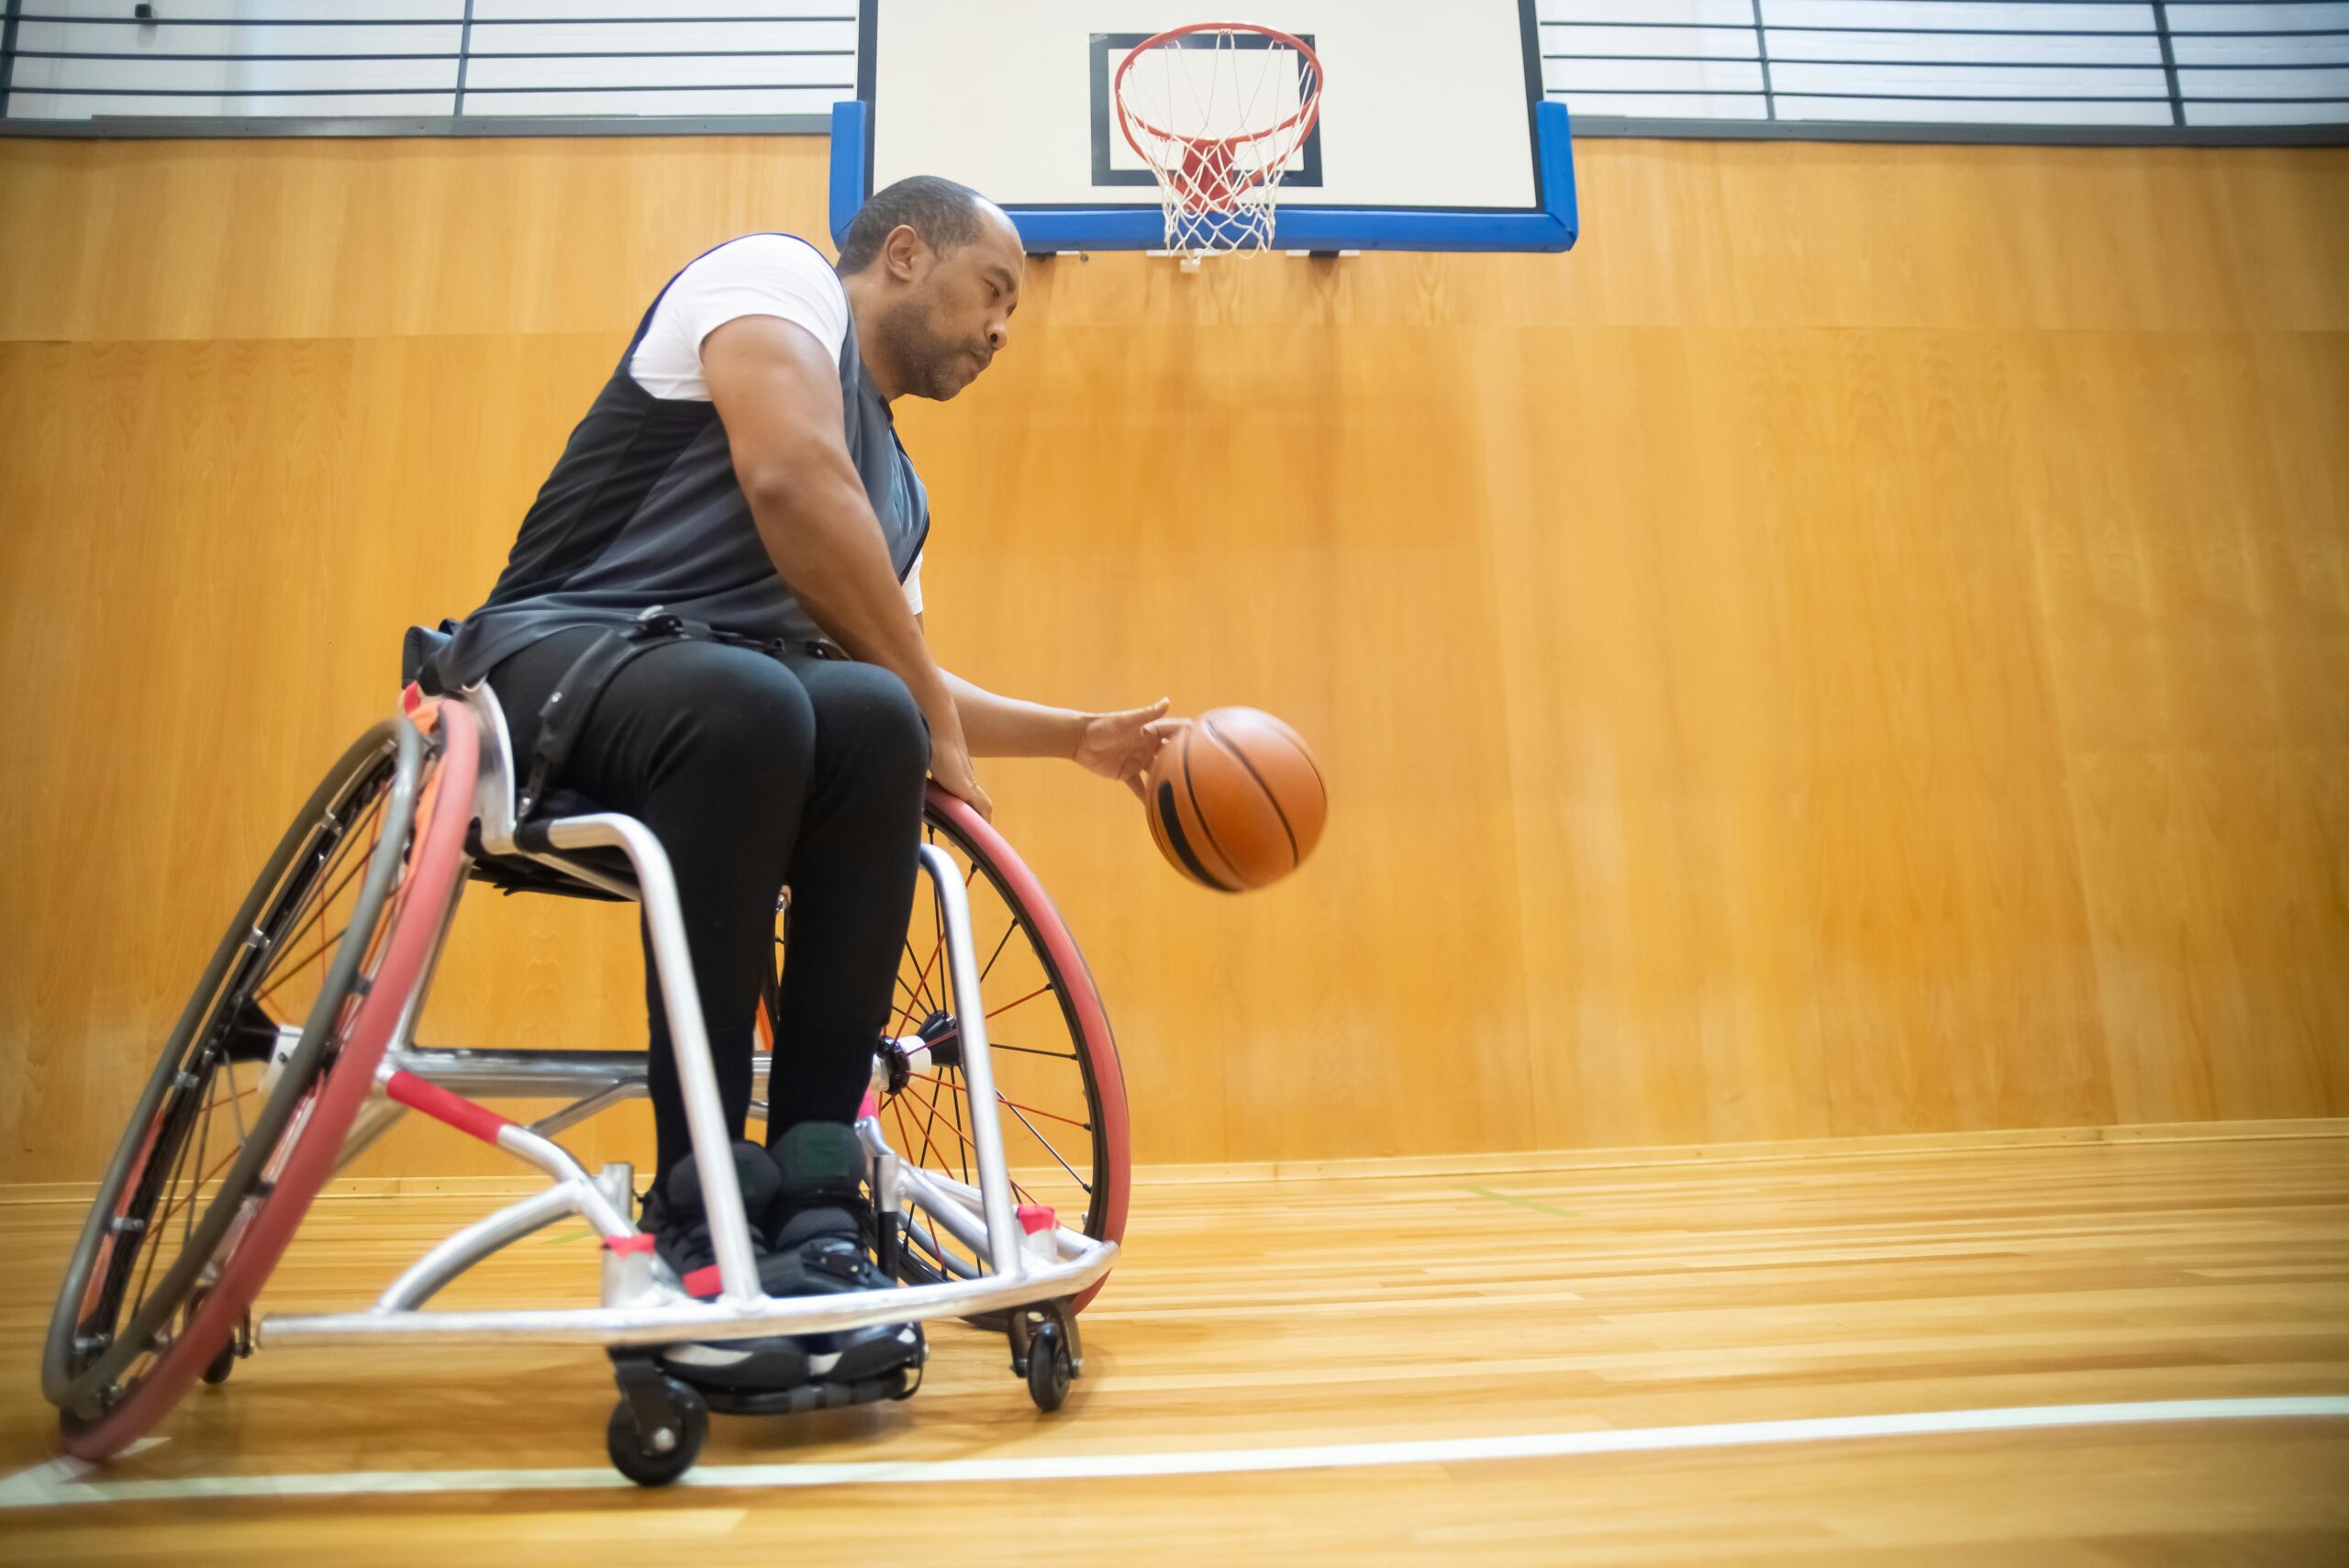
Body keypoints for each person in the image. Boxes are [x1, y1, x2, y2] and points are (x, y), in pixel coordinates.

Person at [426, 176, 1181, 1393]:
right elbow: (786, 481)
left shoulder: (896, 497)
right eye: (992, 294)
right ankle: (700, 1202)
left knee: (869, 714)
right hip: (549, 666)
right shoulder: (774, 282)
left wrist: (1077, 733)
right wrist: (934, 711)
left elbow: (902, 668)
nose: (999, 332)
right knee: (763, 699)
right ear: (899, 254)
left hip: (729, 722)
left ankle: (819, 1195)